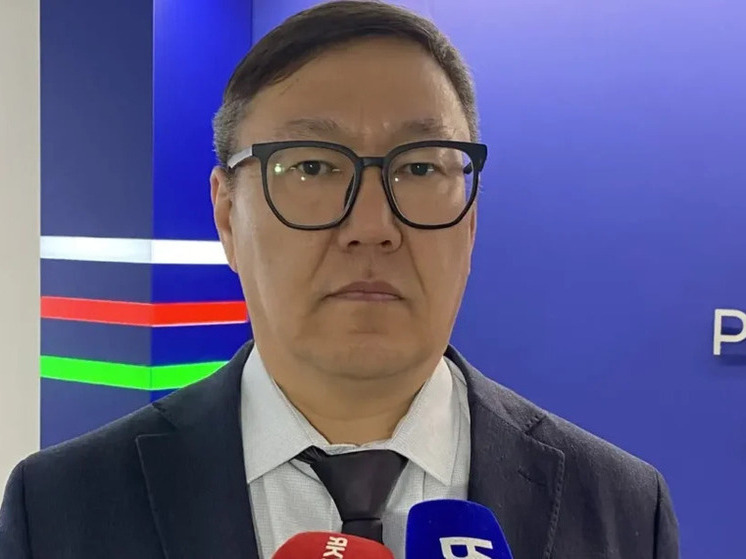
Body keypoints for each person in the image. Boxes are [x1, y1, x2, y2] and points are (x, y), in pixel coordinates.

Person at [0, 1, 679, 558]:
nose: (373, 226)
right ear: (227, 215)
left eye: (420, 167)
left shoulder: (622, 509)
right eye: (312, 167)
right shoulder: (60, 507)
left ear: (470, 222)